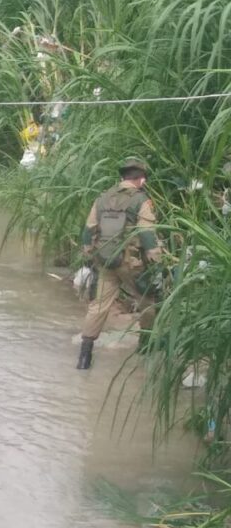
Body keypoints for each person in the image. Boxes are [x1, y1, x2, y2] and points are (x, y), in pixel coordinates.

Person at [75, 157, 162, 370]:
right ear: (141, 180)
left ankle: (84, 357)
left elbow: (88, 230)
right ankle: (145, 346)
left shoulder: (102, 198)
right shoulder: (141, 200)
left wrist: (88, 253)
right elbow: (146, 233)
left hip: (104, 261)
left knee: (98, 307)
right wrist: (157, 261)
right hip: (129, 264)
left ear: (122, 177)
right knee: (149, 301)